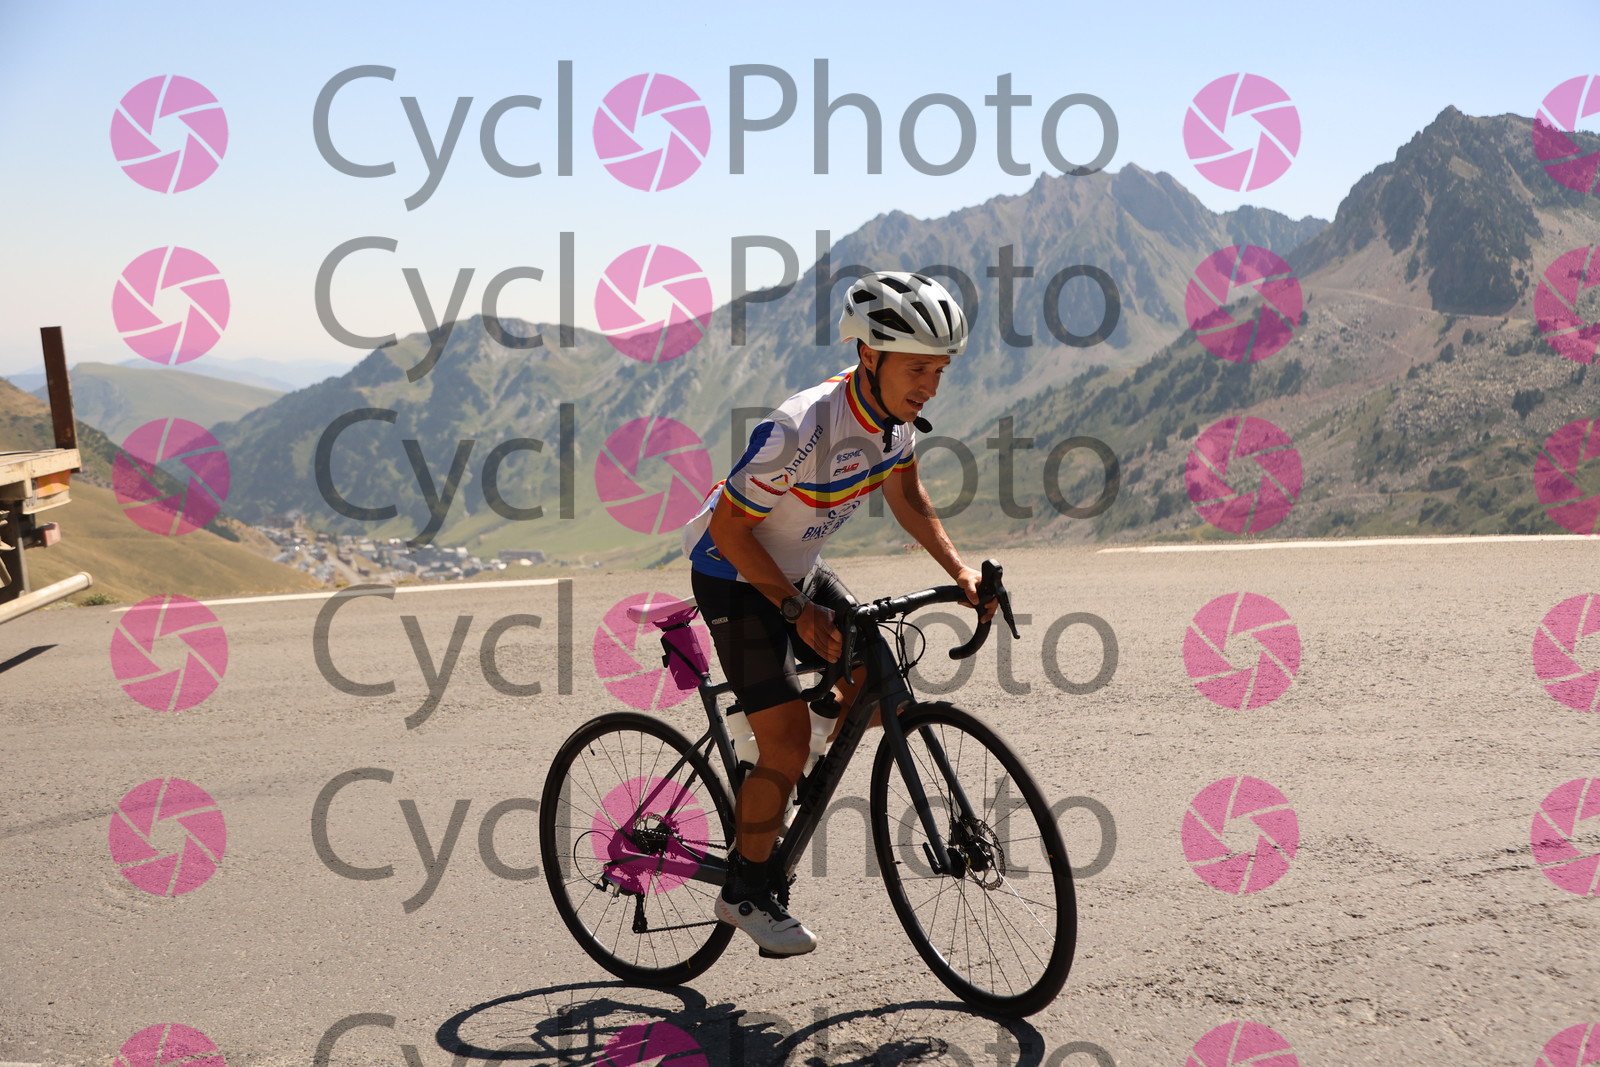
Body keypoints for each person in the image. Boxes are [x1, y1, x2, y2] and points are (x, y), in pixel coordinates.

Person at [680, 270, 996, 957]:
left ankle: (781, 739)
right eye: (917, 368)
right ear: (870, 355)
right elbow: (731, 532)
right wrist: (795, 611)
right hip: (732, 573)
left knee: (877, 684)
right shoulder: (801, 426)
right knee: (789, 742)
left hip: (797, 568)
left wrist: (960, 572)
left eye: (939, 371)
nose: (930, 386)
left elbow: (908, 498)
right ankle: (744, 889)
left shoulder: (893, 423)